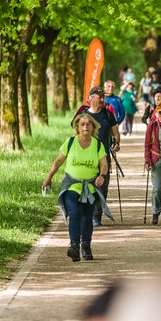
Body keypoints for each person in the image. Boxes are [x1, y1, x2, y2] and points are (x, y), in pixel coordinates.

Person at [42, 113, 110, 262]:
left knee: (87, 218)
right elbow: (58, 161)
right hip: (72, 186)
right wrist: (48, 178)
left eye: (88, 124)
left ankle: (86, 246)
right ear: (77, 127)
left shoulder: (98, 144)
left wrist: (102, 176)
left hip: (90, 189)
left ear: (93, 127)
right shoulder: (70, 142)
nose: (85, 126)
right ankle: (74, 246)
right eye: (82, 124)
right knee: (75, 214)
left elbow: (104, 164)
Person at [74, 86, 121, 227]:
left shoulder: (108, 114)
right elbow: (75, 133)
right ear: (90, 99)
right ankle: (86, 213)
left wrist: (117, 142)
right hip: (85, 157)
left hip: (103, 157)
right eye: (99, 97)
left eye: (103, 97)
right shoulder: (83, 115)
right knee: (85, 185)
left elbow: (115, 132)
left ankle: (96, 216)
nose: (102, 100)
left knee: (102, 187)